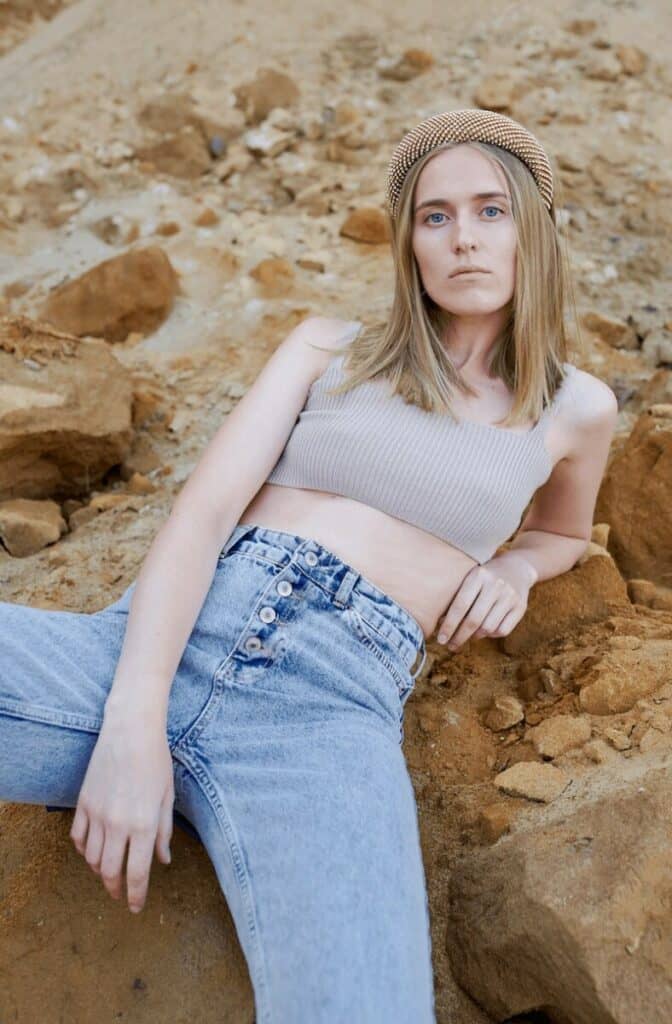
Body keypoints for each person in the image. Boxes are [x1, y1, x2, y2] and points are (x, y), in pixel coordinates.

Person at [0, 108, 618, 1023]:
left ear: (534, 226)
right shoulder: (329, 347)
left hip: (327, 716)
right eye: (435, 215)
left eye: (491, 210)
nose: (463, 239)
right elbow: (203, 515)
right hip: (156, 643)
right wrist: (132, 727)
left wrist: (519, 571)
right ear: (409, 241)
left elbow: (564, 533)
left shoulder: (577, 407)